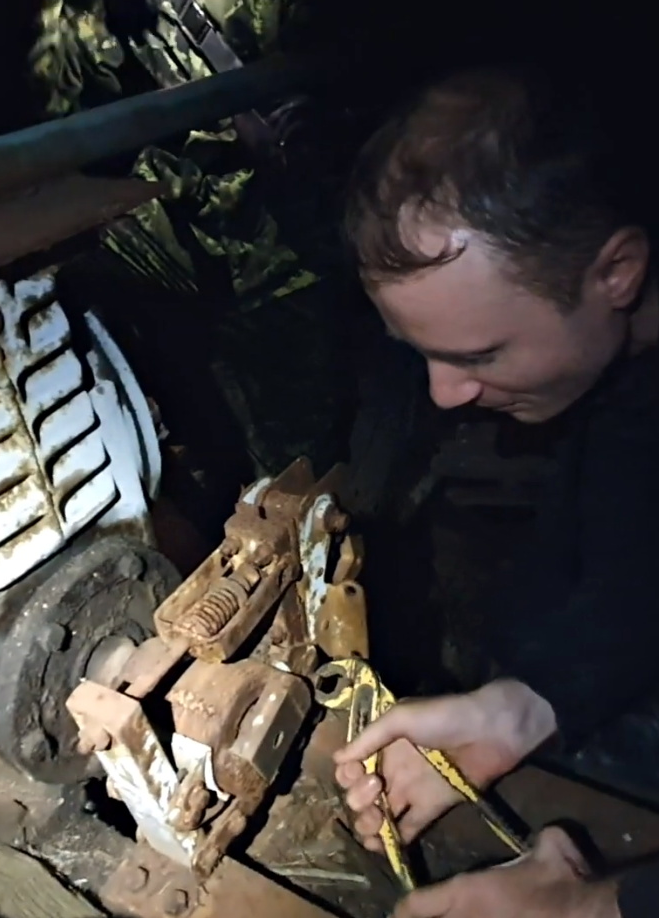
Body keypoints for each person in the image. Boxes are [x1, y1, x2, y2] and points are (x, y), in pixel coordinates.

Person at [332, 67, 659, 917]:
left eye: (479, 356)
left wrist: (603, 905)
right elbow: (639, 568)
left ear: (617, 272)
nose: (444, 396)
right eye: (421, 352)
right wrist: (526, 707)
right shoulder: (621, 374)